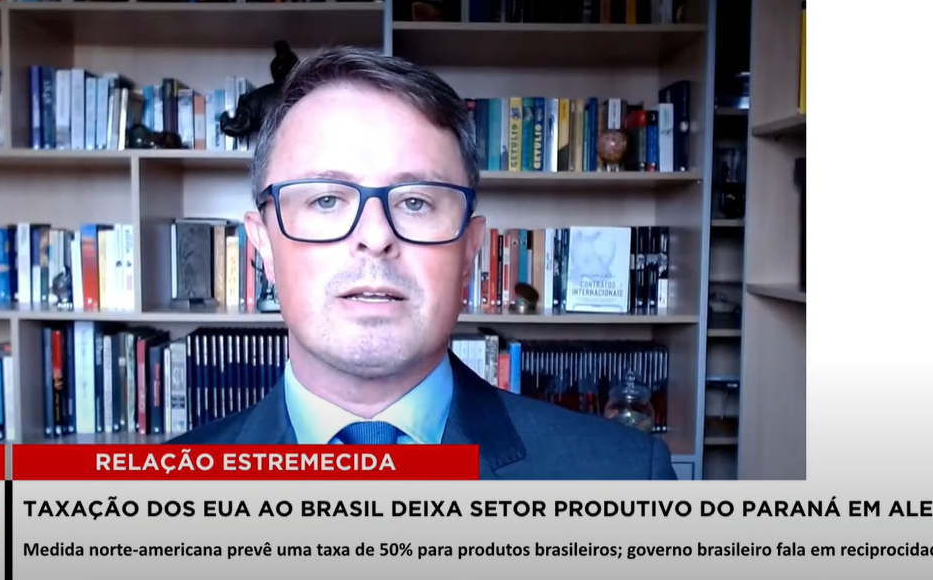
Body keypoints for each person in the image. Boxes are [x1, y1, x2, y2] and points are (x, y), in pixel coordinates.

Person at [167, 47, 676, 480]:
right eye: (325, 199)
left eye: (415, 202)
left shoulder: (626, 476)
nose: (375, 237)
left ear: (469, 250)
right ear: (262, 248)